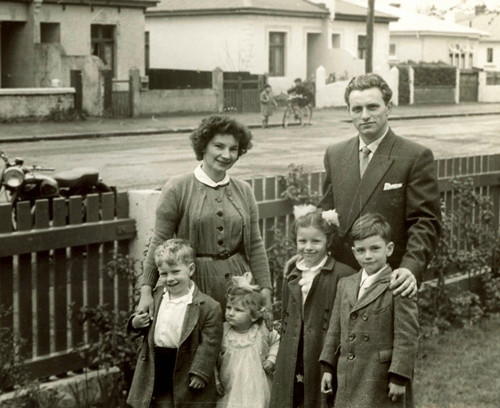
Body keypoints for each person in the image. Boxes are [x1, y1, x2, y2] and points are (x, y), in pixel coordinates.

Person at [137, 115, 273, 317]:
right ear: (203, 147)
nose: (226, 155)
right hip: (194, 283)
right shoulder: (177, 188)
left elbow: (254, 243)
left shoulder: (244, 190)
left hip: (240, 285)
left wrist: (265, 288)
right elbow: (160, 240)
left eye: (233, 149)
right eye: (218, 146)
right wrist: (146, 290)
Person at [319, 73, 441, 297]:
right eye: (357, 109)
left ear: (389, 108)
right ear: (349, 111)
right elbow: (325, 211)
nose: (365, 116)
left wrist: (410, 267)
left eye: (373, 107)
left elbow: (425, 222)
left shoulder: (414, 156)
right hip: (342, 278)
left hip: (390, 280)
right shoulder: (335, 154)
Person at [320, 213, 419, 408]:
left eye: (375, 248)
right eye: (361, 250)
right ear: (354, 252)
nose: (368, 256)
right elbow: (334, 329)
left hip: (379, 378)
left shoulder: (399, 284)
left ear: (388, 249)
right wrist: (328, 367)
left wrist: (399, 377)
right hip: (348, 375)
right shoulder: (345, 284)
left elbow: (407, 335)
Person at [270, 208, 356, 408]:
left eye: (316, 241)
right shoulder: (292, 273)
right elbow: (285, 315)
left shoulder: (343, 275)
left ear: (328, 241)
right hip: (292, 352)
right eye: (303, 241)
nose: (308, 247)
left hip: (322, 351)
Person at [127, 238, 223, 408]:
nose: (169, 278)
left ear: (191, 269)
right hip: (155, 364)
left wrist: (200, 372)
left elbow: (210, 344)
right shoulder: (155, 298)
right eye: (164, 274)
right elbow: (140, 326)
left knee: (176, 403)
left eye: (175, 271)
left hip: (185, 364)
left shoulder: (208, 306)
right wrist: (136, 323)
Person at [215, 273, 280, 408]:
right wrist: (216, 378)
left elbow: (276, 342)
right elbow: (213, 356)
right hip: (230, 386)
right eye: (228, 307)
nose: (231, 313)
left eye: (238, 310)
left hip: (257, 389)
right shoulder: (223, 331)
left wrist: (272, 359)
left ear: (254, 316)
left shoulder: (262, 330)